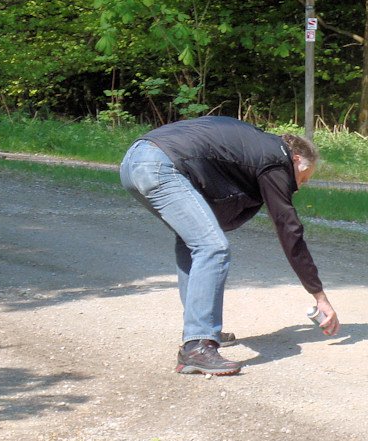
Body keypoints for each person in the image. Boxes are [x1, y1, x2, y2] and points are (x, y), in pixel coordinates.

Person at [120, 116, 339, 375]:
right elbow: (288, 228)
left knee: (194, 243)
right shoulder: (276, 159)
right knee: (212, 247)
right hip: (160, 164)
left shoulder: (256, 147)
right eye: (303, 178)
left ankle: (201, 330)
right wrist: (319, 295)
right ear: (296, 159)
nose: (298, 187)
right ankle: (197, 344)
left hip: (134, 163)